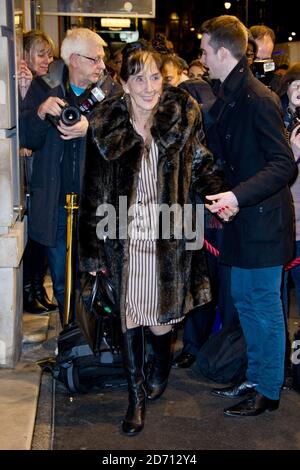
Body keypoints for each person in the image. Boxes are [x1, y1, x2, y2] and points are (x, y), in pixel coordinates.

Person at [78, 43, 227, 435]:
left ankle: (159, 366)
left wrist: (218, 194)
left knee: (162, 322)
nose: (149, 86)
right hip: (123, 239)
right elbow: (93, 191)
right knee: (129, 319)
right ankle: (135, 398)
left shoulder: (180, 114)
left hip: (170, 236)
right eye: (139, 78)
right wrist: (93, 256)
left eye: (156, 77)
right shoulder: (104, 123)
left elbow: (200, 162)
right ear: (123, 84)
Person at [200, 15, 296, 416]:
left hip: (261, 221)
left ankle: (268, 388)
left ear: (223, 52)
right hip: (242, 219)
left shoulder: (258, 98)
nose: (201, 58)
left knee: (262, 303)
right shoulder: (231, 94)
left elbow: (283, 165)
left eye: (205, 50)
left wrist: (236, 195)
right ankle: (257, 377)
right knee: (245, 299)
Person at [19, 28, 120, 324]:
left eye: (102, 60)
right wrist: (39, 112)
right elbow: (26, 138)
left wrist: (90, 128)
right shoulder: (44, 89)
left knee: (98, 282)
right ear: (74, 59)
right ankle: (70, 340)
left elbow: (123, 137)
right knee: (62, 282)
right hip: (56, 206)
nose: (102, 66)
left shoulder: (110, 92)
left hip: (97, 209)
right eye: (96, 60)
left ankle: (93, 343)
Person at [18, 30, 58, 314]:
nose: (48, 59)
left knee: (39, 237)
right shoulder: (24, 83)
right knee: (34, 236)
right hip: (26, 175)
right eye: (41, 54)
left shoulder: (41, 84)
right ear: (26, 55)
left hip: (39, 170)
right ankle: (30, 292)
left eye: (49, 54)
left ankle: (35, 289)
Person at [279, 63, 300, 315]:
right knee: (278, 292)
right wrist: (293, 151)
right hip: (284, 221)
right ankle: (280, 349)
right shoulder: (276, 120)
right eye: (295, 85)